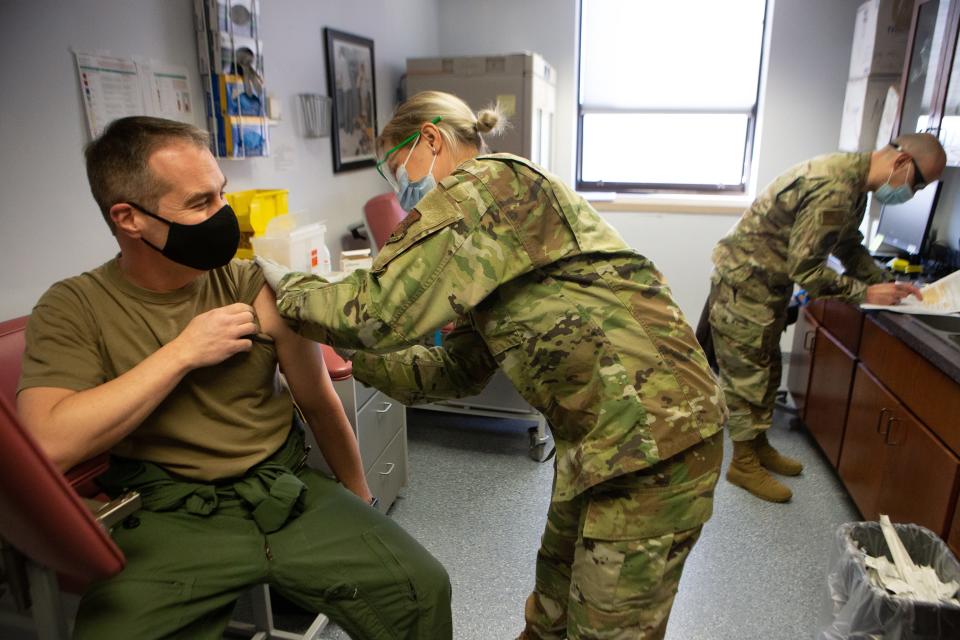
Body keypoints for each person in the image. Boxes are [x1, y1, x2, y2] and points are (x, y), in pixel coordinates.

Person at [257, 91, 728, 640]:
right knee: (550, 611)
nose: (398, 188)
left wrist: (284, 286)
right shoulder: (486, 247)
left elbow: (376, 310)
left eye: (395, 167)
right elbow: (454, 372)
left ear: (431, 139)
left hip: (657, 435)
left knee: (607, 628)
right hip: (599, 438)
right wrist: (356, 362)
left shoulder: (489, 187)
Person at [16, 116, 451, 639]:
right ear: (129, 218)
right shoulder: (74, 307)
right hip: (168, 513)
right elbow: (49, 442)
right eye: (200, 203)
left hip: (286, 490)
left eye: (221, 194)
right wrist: (182, 353)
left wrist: (360, 497)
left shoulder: (250, 282)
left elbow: (317, 401)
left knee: (421, 589)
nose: (224, 216)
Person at [707, 132, 946, 503]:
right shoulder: (834, 185)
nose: (912, 194)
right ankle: (742, 463)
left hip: (766, 284)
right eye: (917, 183)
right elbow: (806, 268)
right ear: (901, 163)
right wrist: (865, 293)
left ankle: (758, 445)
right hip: (746, 283)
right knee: (747, 373)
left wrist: (885, 282)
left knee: (767, 367)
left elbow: (848, 245)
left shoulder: (853, 184)